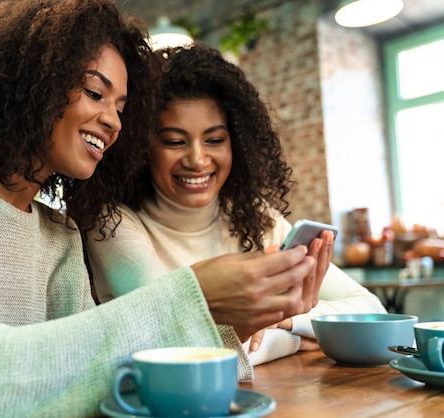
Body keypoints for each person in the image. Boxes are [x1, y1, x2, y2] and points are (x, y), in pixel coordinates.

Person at [0, 1, 321, 416]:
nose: (112, 121)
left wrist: (239, 323)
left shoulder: (56, 233)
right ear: (26, 82)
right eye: (95, 92)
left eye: (122, 109)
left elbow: (96, 378)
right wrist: (195, 300)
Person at [85, 43, 386, 371]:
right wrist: (297, 336)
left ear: (236, 142)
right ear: (142, 148)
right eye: (174, 141)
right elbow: (180, 343)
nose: (198, 160)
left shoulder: (255, 217)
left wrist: (285, 321)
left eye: (214, 140)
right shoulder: (112, 223)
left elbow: (369, 309)